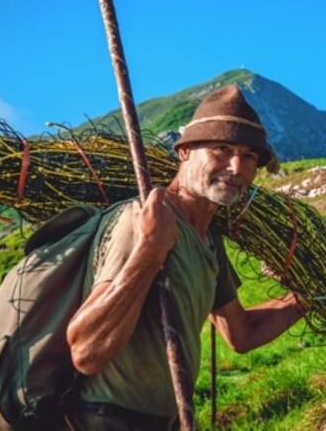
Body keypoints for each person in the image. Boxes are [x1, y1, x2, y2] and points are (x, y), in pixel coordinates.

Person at [66, 85, 305, 430]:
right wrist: (150, 251)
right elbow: (86, 352)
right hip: (107, 419)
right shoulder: (144, 219)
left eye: (250, 156)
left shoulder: (209, 242)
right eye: (222, 149)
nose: (236, 167)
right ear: (185, 152)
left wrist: (305, 298)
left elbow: (241, 334)